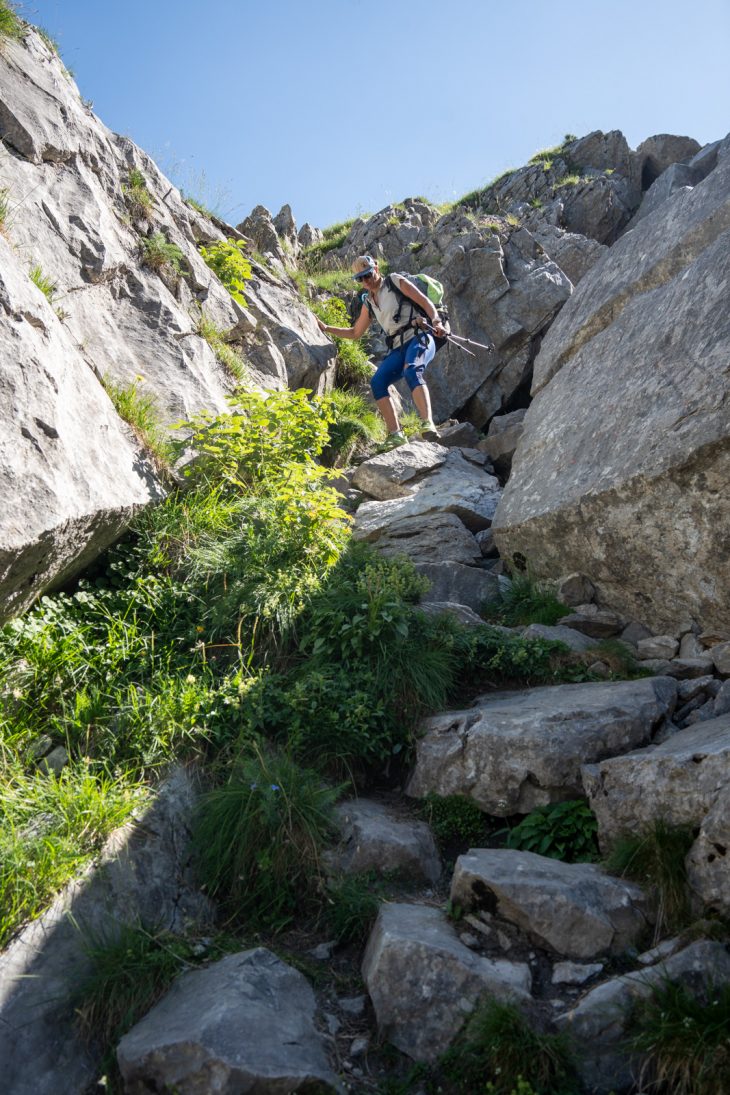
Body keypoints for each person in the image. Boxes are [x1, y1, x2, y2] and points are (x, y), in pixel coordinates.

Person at [316, 254, 447, 448]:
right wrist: (327, 328)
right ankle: (396, 434)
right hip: (398, 346)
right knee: (378, 382)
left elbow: (425, 301)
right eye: (360, 278)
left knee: (412, 370)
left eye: (368, 275)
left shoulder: (395, 281)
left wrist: (436, 321)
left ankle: (428, 423)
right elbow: (355, 332)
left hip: (419, 336)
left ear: (375, 269)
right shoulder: (369, 302)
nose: (365, 281)